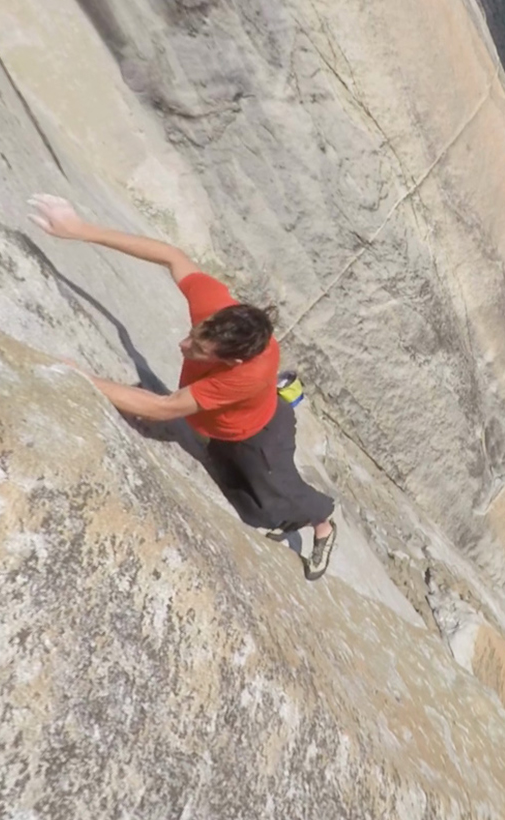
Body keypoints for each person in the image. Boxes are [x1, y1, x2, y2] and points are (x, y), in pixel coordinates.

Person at [25, 194, 339, 580]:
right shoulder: (216, 310)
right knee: (241, 499)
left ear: (232, 362)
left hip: (258, 436)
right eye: (194, 334)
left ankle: (324, 523)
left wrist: (85, 379)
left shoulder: (244, 376)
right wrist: (81, 229)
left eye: (199, 349)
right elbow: (172, 256)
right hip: (224, 427)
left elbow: (162, 408)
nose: (184, 346)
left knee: (273, 505)